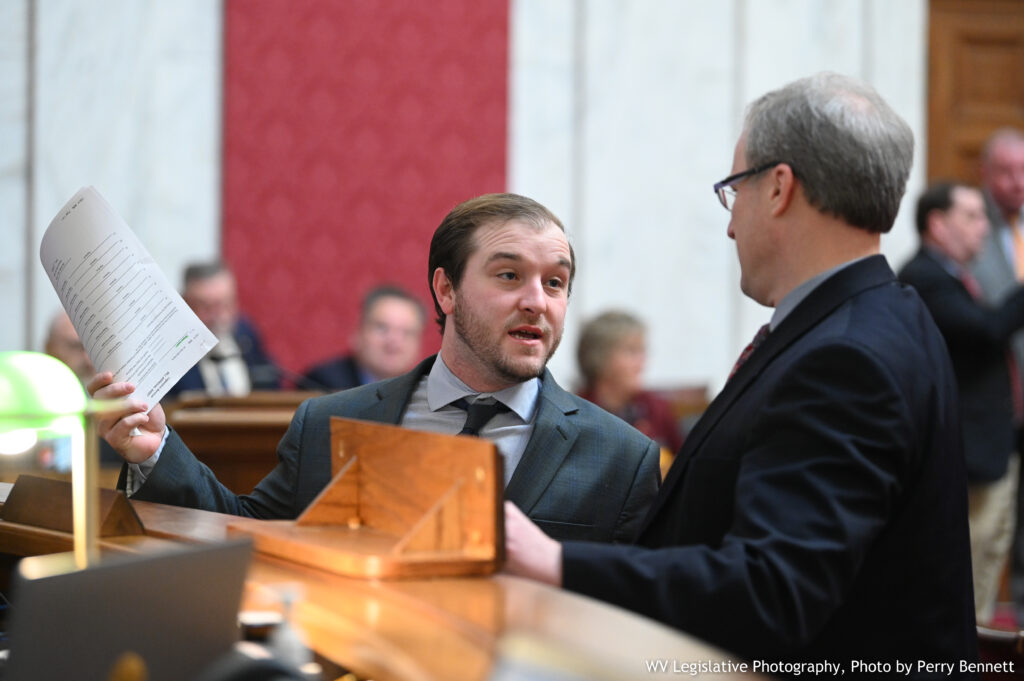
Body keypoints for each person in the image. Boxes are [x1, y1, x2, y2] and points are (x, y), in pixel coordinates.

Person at [504, 73, 979, 671]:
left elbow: (774, 591)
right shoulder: (890, 314)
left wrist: (552, 561)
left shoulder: (846, 357)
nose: (730, 225)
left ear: (779, 187)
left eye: (736, 189)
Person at [89, 193, 661, 543]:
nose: (537, 300)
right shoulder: (329, 423)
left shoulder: (620, 456)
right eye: (509, 276)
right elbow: (243, 534)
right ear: (447, 289)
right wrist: (156, 451)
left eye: (555, 282)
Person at [899, 181, 1024, 625]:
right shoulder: (924, 278)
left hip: (993, 444)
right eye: (971, 216)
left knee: (989, 562)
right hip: (967, 454)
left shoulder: (955, 276)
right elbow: (987, 331)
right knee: (966, 578)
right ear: (937, 223)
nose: (984, 228)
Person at [971, 127, 1024, 622]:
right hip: (999, 410)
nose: (1017, 183)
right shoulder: (971, 231)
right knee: (990, 537)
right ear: (985, 174)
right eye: (1006, 172)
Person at [164, 261, 281, 399]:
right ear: (185, 305)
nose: (220, 317)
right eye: (207, 307)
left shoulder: (246, 334)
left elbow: (270, 386)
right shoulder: (169, 352)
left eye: (226, 304)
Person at [576, 310, 683, 453]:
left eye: (642, 351)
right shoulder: (576, 413)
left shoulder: (657, 410)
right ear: (598, 357)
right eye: (632, 352)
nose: (642, 363)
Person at [301, 285, 425, 391]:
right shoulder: (322, 383)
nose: (394, 341)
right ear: (358, 333)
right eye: (382, 328)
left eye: (407, 333)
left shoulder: (425, 393)